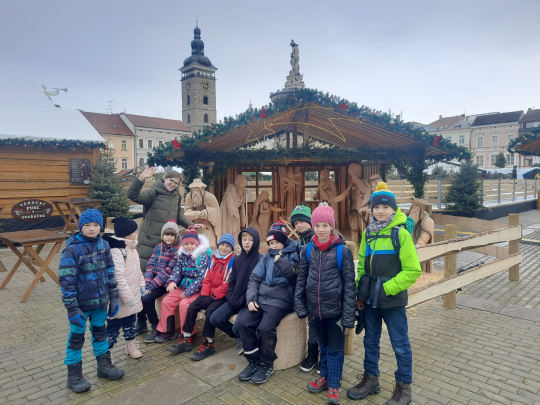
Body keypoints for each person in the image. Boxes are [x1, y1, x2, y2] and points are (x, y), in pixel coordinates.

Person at [347, 182, 421, 405]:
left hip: (391, 300)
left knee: (400, 343)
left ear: (394, 209)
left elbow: (412, 270)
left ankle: (404, 388)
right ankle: (371, 379)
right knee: (370, 340)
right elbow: (362, 267)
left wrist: (387, 289)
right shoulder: (369, 233)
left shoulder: (401, 235)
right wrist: (360, 293)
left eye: (385, 208)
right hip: (369, 300)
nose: (380, 211)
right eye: (377, 207)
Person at [127, 167, 202, 335]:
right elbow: (133, 196)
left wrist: (190, 224)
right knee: (141, 285)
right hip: (148, 245)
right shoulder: (154, 191)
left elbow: (177, 215)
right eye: (171, 181)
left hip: (167, 246)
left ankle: (158, 323)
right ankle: (141, 322)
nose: (173, 185)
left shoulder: (176, 196)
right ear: (165, 179)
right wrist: (141, 178)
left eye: (176, 183)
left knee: (153, 286)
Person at [295, 203, 356, 405]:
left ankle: (334, 385)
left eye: (325, 225)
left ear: (332, 226)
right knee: (323, 345)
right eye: (318, 225)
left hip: (335, 312)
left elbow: (349, 287)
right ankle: (325, 377)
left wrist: (348, 316)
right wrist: (301, 305)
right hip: (315, 311)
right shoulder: (308, 250)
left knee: (335, 349)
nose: (321, 230)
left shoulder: (342, 252)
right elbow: (301, 280)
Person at [59, 209, 124, 394]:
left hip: (100, 304)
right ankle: (74, 376)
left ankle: (104, 366)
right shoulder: (72, 249)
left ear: (100, 227)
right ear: (81, 227)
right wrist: (71, 308)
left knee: (100, 334)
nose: (92, 229)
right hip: (80, 306)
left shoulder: (104, 245)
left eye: (96, 225)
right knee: (76, 339)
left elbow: (110, 272)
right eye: (87, 225)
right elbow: (66, 280)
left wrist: (113, 296)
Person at [237, 221, 299, 384]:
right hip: (261, 298)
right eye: (271, 243)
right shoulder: (266, 258)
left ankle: (266, 363)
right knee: (243, 323)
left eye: (276, 242)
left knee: (265, 328)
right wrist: (251, 298)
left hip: (280, 300)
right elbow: (254, 278)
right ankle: (253, 360)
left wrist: (285, 265)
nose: (273, 246)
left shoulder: (294, 255)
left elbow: (296, 280)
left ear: (284, 240)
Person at [171, 234, 236, 360]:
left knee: (210, 311)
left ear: (232, 248)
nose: (224, 248)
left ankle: (208, 343)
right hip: (209, 293)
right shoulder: (213, 258)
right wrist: (205, 295)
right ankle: (187, 337)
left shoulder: (233, 261)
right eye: (222, 245)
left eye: (228, 246)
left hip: (222, 297)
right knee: (193, 306)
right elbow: (207, 278)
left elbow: (227, 283)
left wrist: (213, 297)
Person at [210, 228, 262, 356]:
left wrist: (243, 300)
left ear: (256, 241)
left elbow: (259, 285)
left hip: (249, 300)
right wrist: (230, 296)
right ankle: (239, 338)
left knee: (237, 326)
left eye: (250, 240)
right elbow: (232, 281)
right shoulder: (237, 259)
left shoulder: (261, 259)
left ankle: (246, 340)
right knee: (215, 318)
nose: (247, 242)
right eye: (244, 240)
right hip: (235, 298)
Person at [154, 226, 211, 343]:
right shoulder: (182, 255)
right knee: (167, 301)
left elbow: (202, 278)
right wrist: (172, 281)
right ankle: (168, 330)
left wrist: (188, 292)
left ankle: (188, 333)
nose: (189, 246)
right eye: (186, 244)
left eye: (192, 244)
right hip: (183, 286)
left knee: (184, 304)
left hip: (197, 289)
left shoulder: (202, 257)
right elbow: (177, 271)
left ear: (197, 244)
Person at [103, 217, 145, 359]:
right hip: (121, 298)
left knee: (130, 322)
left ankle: (131, 345)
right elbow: (118, 277)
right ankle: (107, 352)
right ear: (127, 234)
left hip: (133, 294)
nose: (136, 233)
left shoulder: (132, 248)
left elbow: (137, 270)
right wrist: (127, 298)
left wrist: (142, 285)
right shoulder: (116, 251)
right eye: (134, 231)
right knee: (114, 326)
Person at [141, 220, 182, 343]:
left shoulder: (178, 250)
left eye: (171, 235)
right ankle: (144, 323)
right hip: (154, 281)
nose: (168, 237)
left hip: (167, 283)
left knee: (146, 299)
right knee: (140, 293)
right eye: (166, 234)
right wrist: (147, 283)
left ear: (176, 236)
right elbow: (150, 265)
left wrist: (152, 286)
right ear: (162, 236)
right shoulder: (158, 247)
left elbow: (169, 270)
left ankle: (155, 326)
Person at [290, 203, 318, 373]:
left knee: (323, 323)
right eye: (295, 223)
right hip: (307, 286)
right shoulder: (300, 239)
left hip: (320, 287)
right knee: (312, 322)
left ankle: (324, 355)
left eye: (302, 221)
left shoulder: (317, 237)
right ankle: (313, 354)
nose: (299, 225)